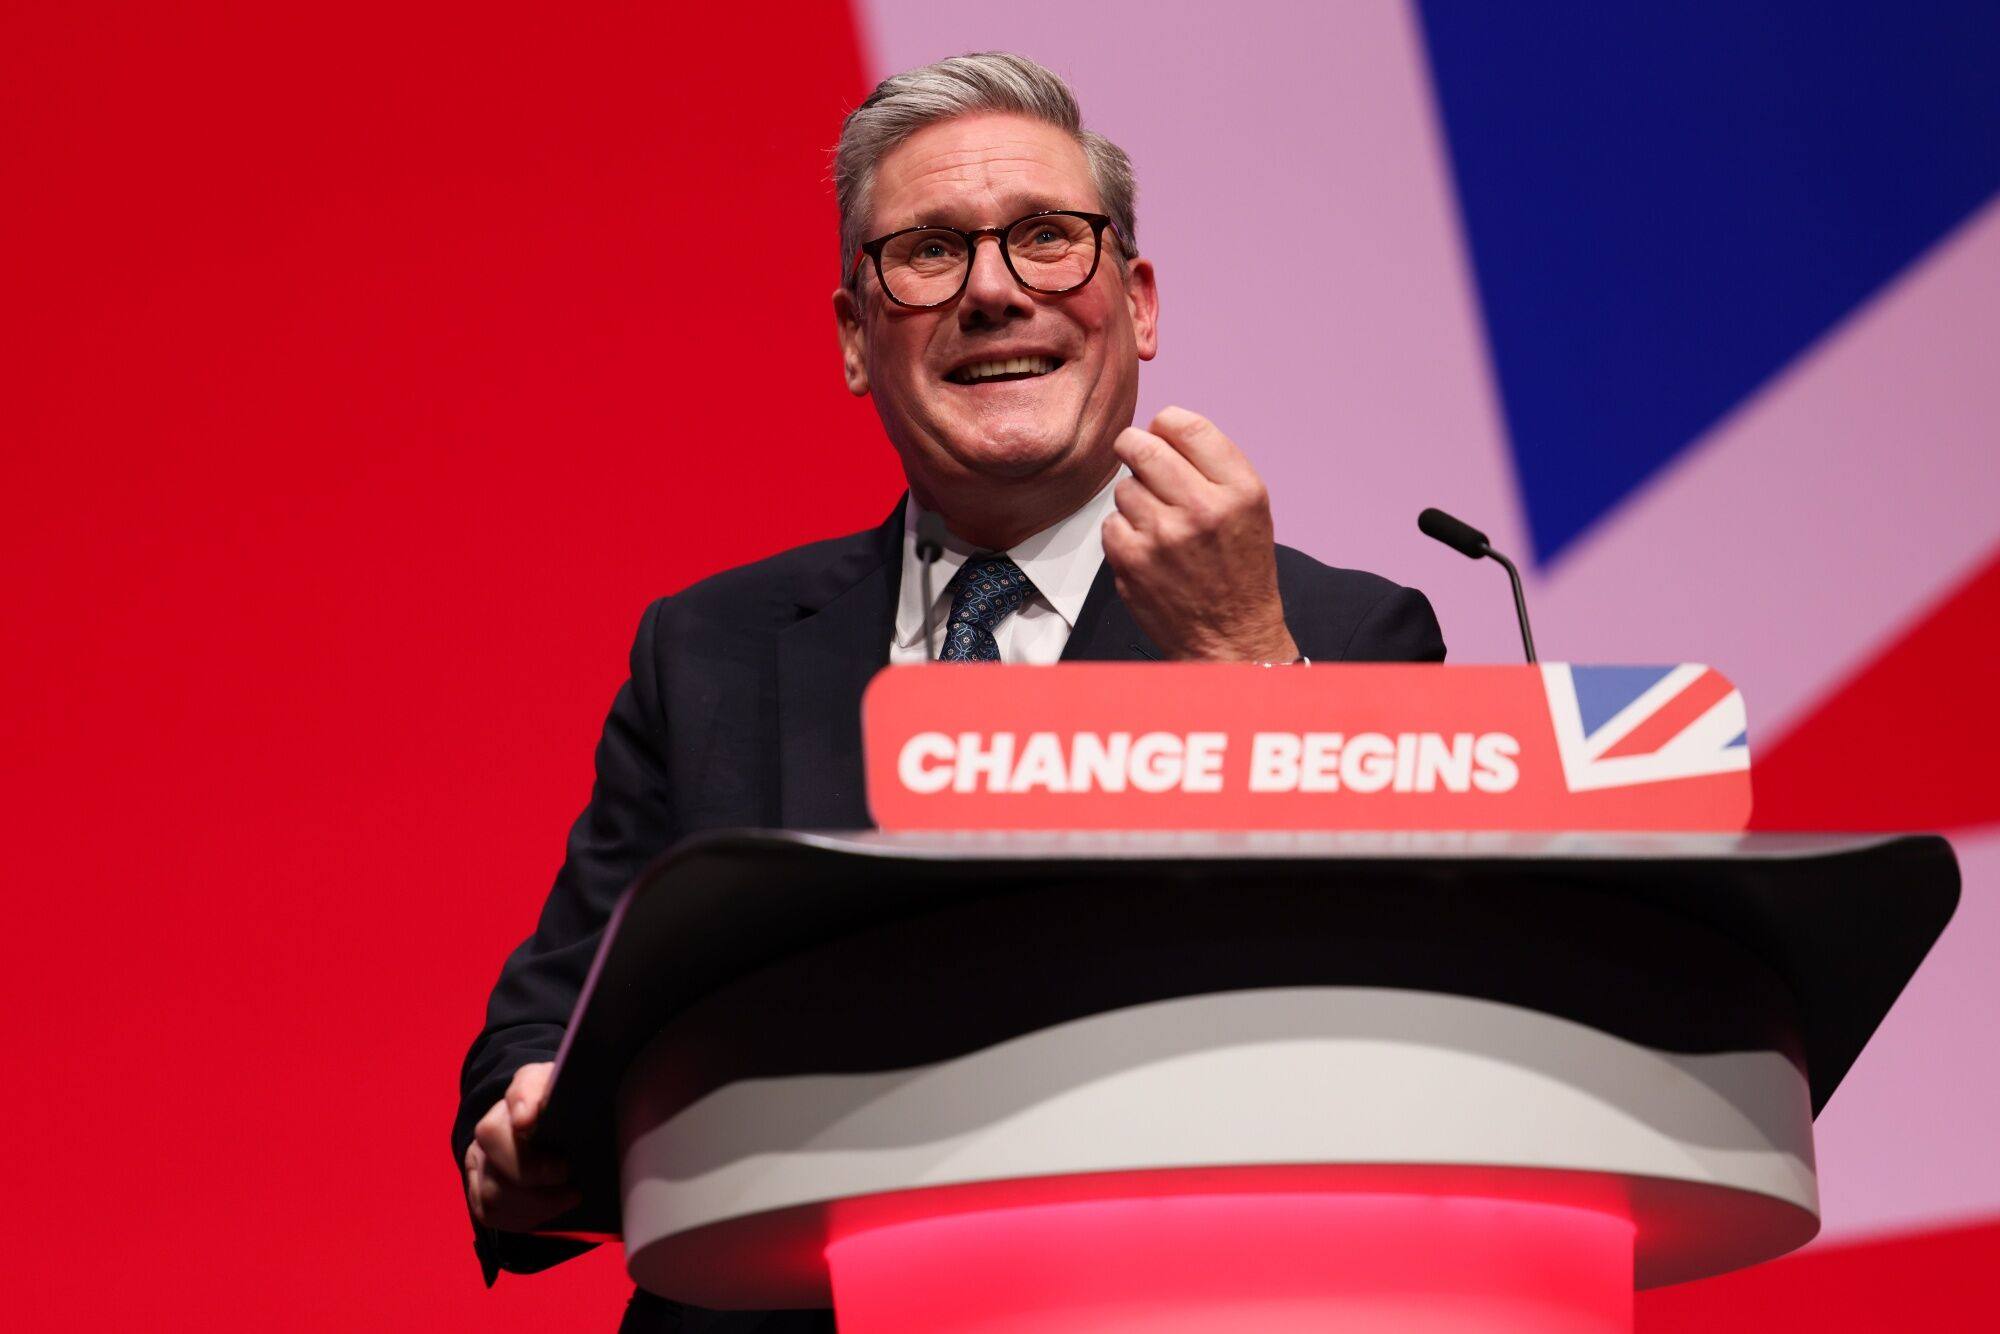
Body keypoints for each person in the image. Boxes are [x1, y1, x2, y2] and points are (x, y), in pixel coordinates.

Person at [454, 51, 1446, 1332]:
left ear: (1135, 305)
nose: (992, 292)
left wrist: (1242, 661)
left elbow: (1405, 1016)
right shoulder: (710, 648)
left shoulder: (1340, 632)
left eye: (1046, 239)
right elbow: (541, 1026)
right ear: (855, 339)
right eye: (926, 252)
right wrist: (526, 1126)